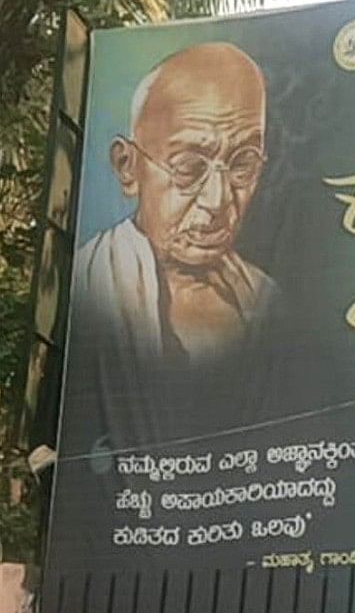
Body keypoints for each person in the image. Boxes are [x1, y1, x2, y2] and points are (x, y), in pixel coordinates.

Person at [73, 41, 276, 369]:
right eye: (190, 167)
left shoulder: (268, 305)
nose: (218, 200)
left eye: (242, 164)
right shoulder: (85, 288)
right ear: (127, 166)